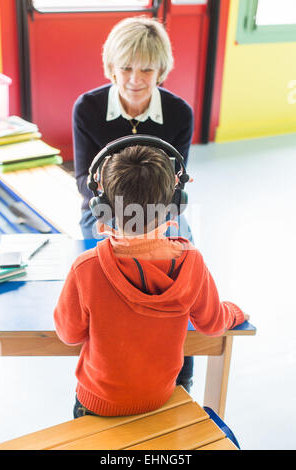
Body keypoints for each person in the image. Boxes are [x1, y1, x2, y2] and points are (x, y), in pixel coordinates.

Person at [54, 145, 248, 418]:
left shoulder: (86, 268)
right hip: (159, 399)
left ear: (103, 209)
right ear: (174, 204)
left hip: (97, 406)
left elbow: (68, 335)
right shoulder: (191, 262)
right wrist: (234, 312)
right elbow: (213, 324)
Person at [72, 15, 194, 240]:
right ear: (112, 67)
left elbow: (177, 179)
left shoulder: (180, 114)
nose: (135, 79)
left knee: (184, 252)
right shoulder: (87, 109)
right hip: (105, 209)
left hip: (160, 210)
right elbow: (83, 180)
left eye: (146, 70)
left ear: (161, 70)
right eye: (126, 68)